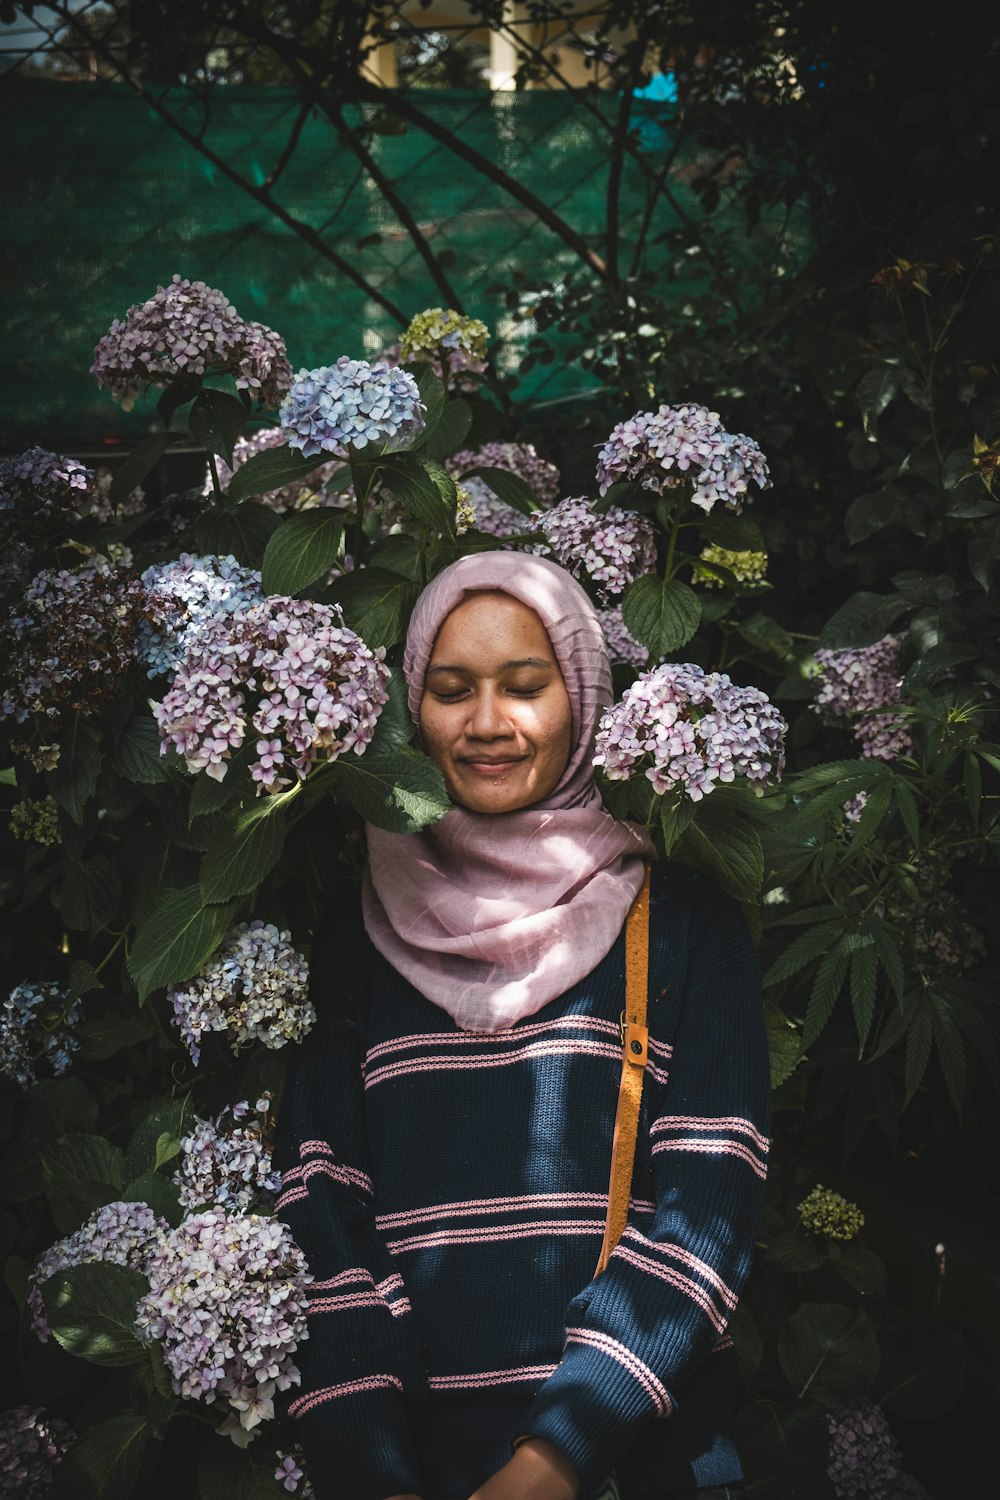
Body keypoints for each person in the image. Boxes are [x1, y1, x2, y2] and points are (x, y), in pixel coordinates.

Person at [274, 551, 771, 1500]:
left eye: (527, 686)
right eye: (451, 690)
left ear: (582, 698)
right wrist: (372, 1467)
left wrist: (553, 1460)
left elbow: (706, 1209)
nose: (488, 725)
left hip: (636, 1463)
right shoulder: (354, 934)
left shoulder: (682, 926)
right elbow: (322, 1209)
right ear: (410, 706)